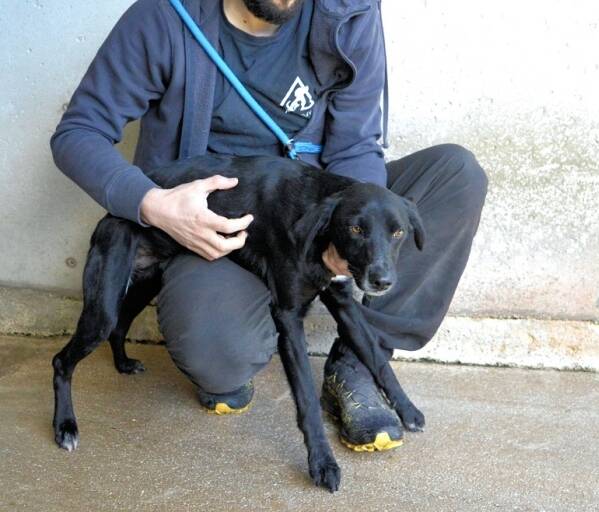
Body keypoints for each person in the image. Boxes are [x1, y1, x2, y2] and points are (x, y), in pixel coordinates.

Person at [51, 0, 488, 452]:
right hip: (221, 232)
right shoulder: (164, 16)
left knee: (456, 175)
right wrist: (154, 204)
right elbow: (78, 132)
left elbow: (356, 145)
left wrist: (349, 233)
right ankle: (253, 313)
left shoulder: (347, 13)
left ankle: (359, 360)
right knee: (216, 356)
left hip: (323, 209)